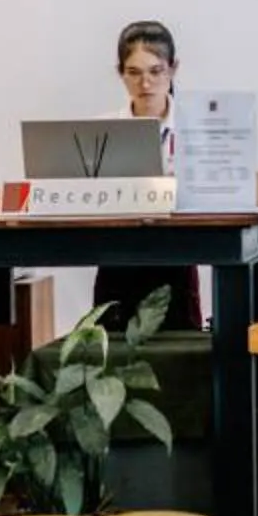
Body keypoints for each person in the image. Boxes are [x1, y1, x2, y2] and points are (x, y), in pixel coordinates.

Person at [89, 19, 204, 331]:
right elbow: (64, 179)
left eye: (155, 71)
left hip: (177, 257)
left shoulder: (199, 128)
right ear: (120, 73)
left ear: (173, 69)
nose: (146, 84)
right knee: (109, 351)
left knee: (181, 349)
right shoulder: (102, 131)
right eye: (134, 73)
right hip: (117, 258)